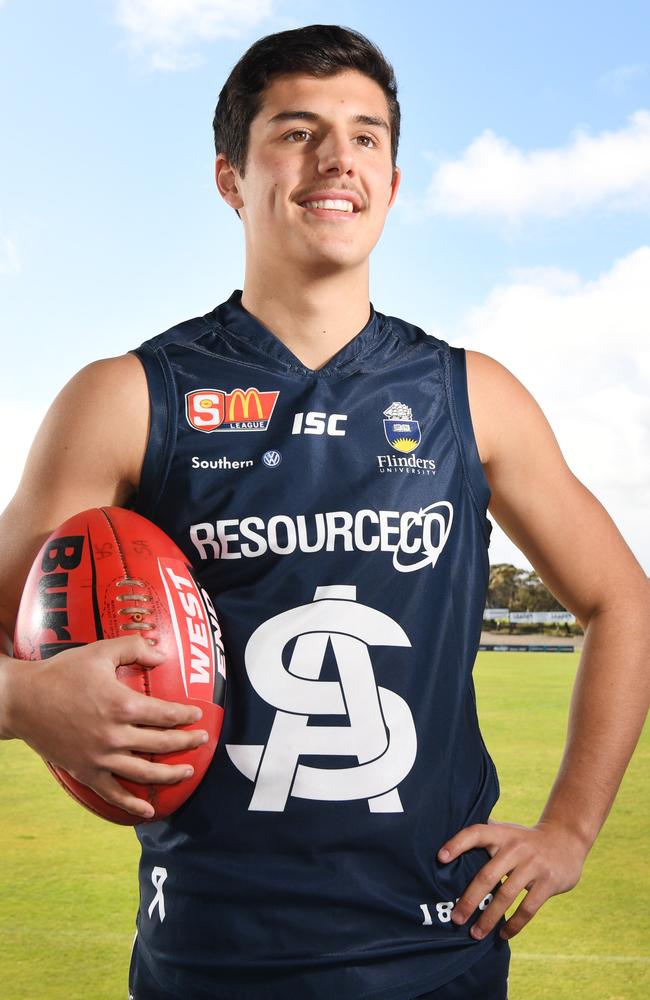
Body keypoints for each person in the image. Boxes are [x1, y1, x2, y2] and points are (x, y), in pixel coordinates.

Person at [0, 23, 648, 1000]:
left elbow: (620, 601)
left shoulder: (474, 396)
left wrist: (566, 828)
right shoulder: (126, 398)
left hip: (439, 957)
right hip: (211, 962)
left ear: (390, 180)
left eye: (366, 135)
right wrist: (22, 701)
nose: (336, 157)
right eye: (296, 132)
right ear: (228, 176)